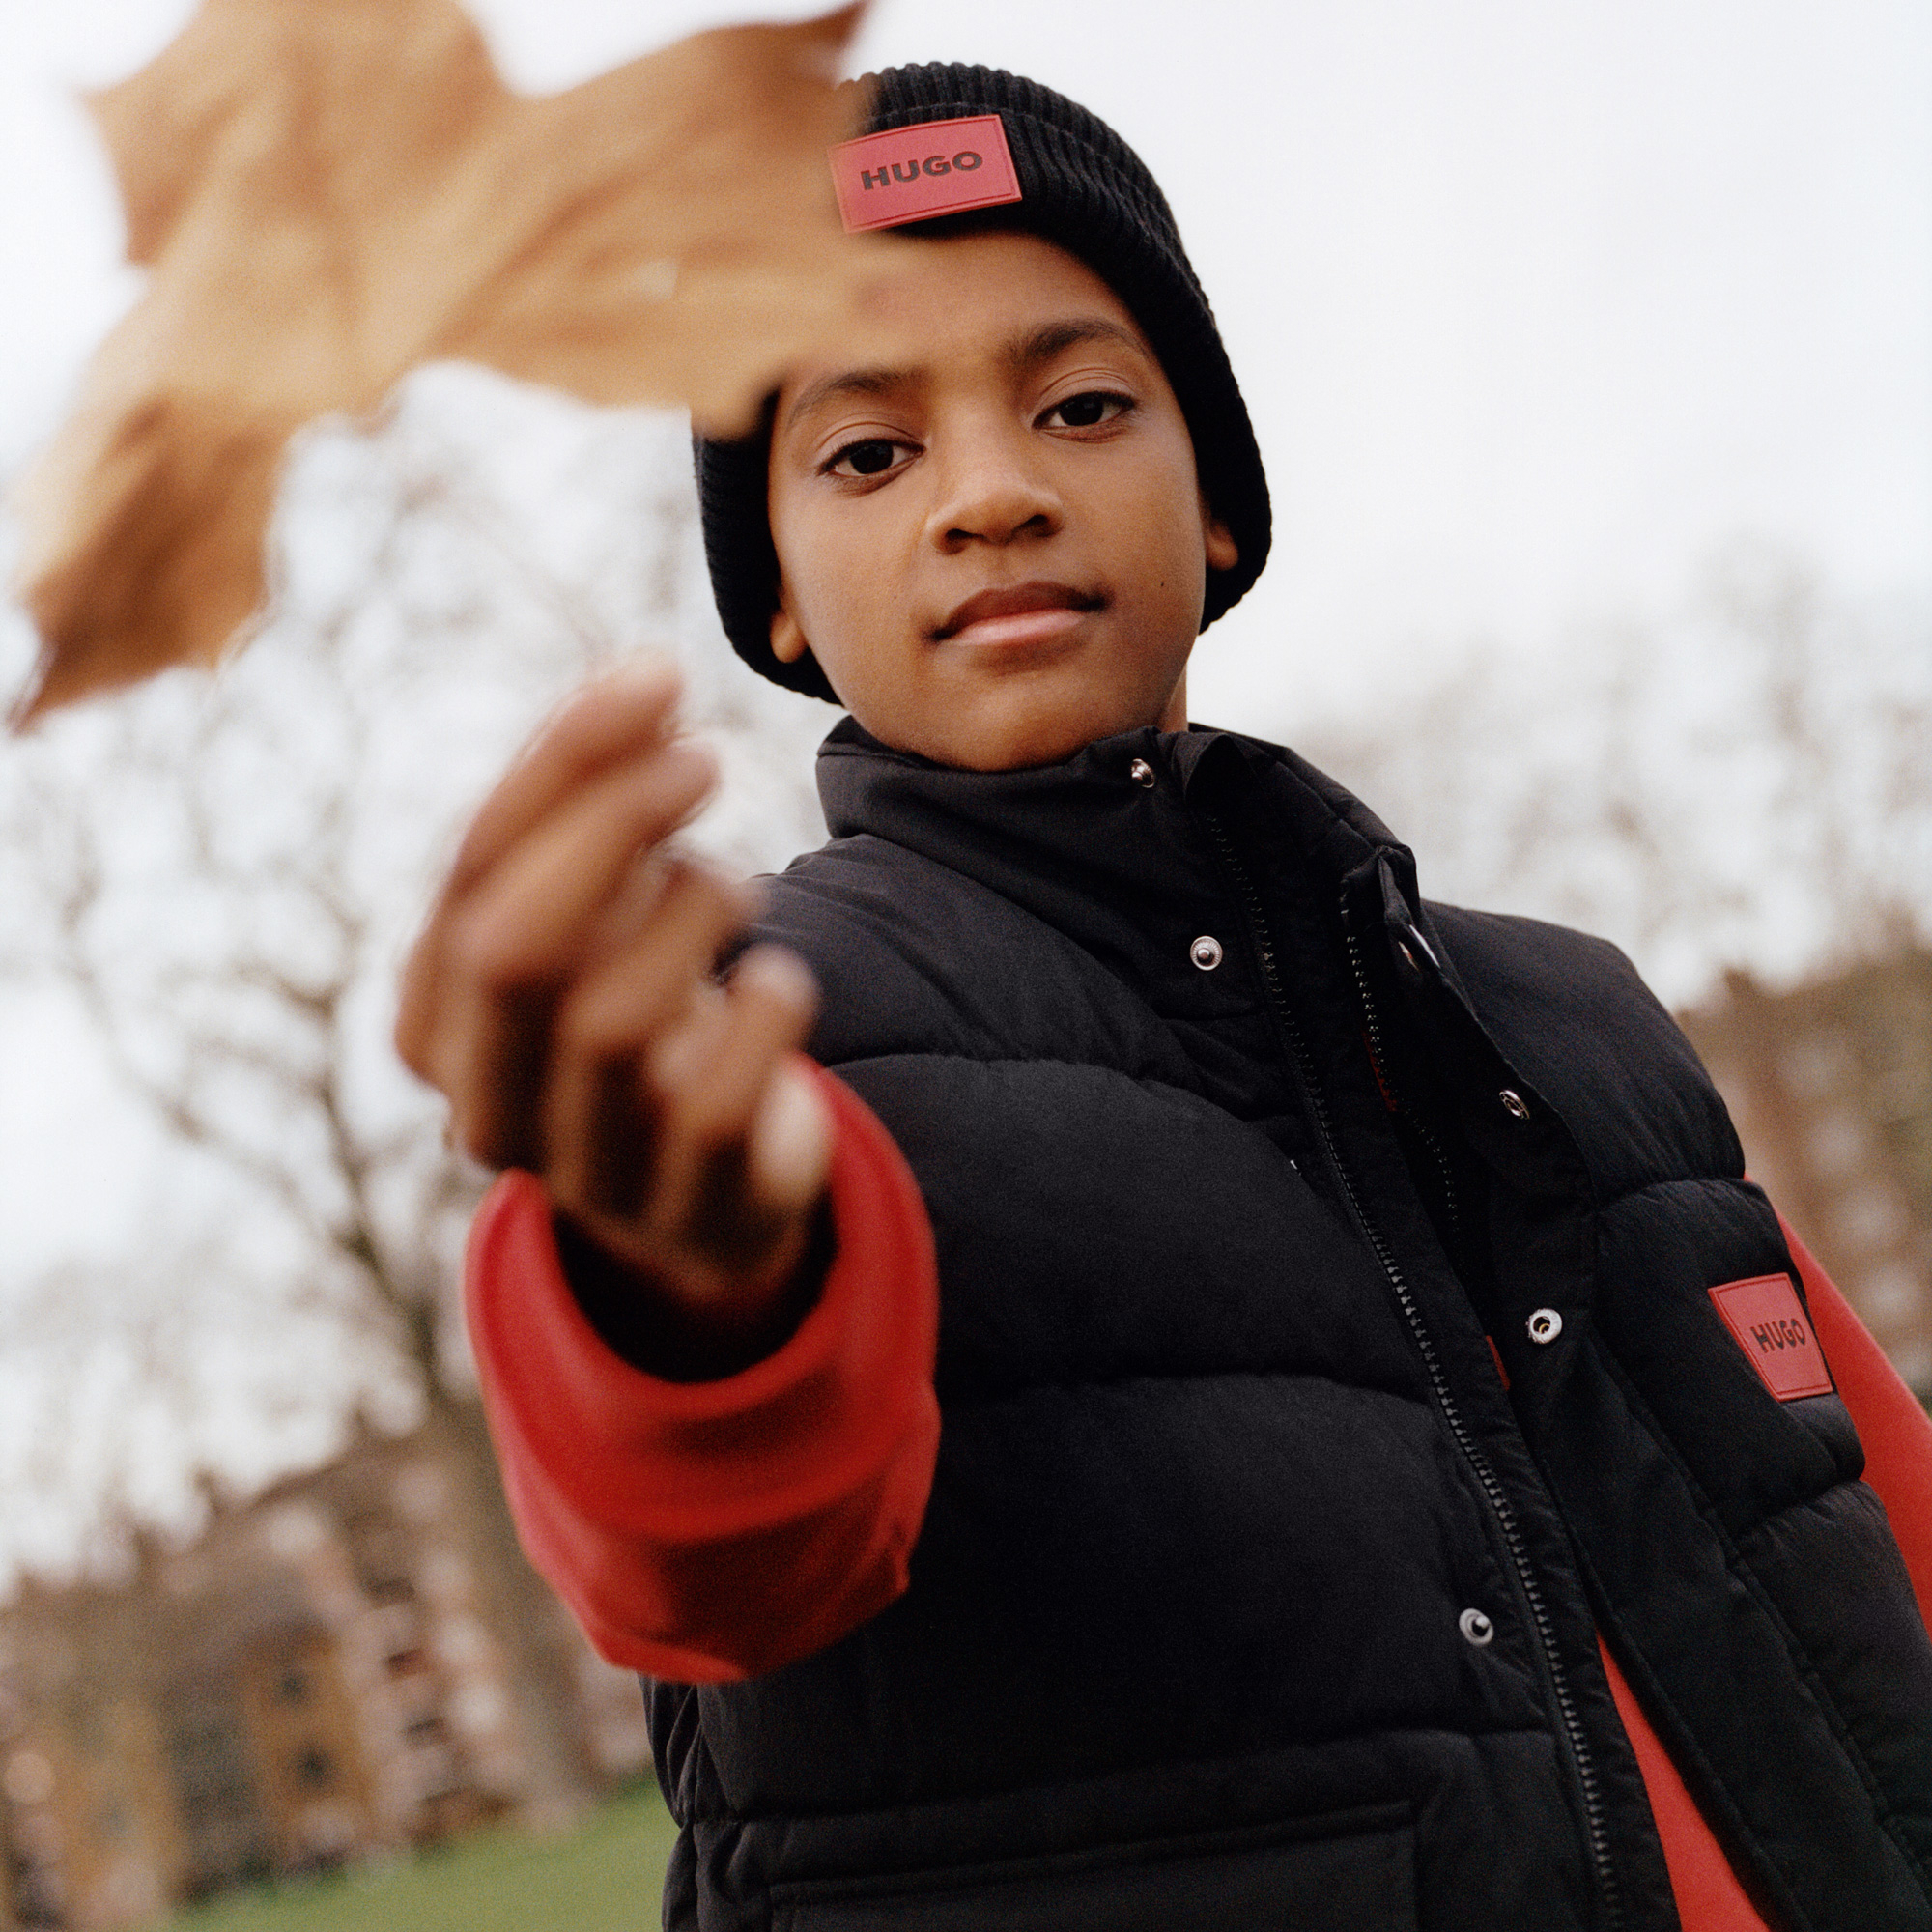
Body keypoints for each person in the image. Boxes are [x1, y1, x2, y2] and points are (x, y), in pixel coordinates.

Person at [396, 64, 1932, 1932]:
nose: (995, 489)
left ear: (1214, 503)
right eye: (869, 452)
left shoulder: (1578, 1018)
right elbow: (708, 1570)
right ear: (777, 594)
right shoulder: (760, 1051)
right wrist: (688, 1293)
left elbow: (1864, 1538)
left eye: (1083, 403)